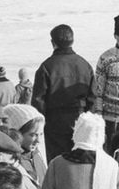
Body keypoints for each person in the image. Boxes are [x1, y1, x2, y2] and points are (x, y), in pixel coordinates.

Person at [31, 25, 96, 164]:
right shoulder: (84, 65)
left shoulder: (46, 67)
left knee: (57, 163)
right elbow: (93, 98)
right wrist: (89, 118)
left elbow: (38, 100)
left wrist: (40, 125)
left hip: (55, 124)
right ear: (72, 40)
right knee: (80, 162)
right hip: (80, 120)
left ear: (53, 42)